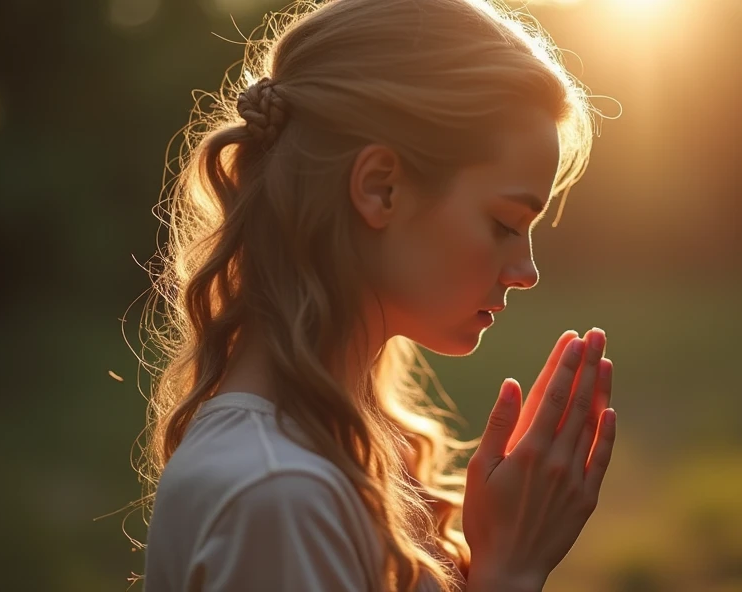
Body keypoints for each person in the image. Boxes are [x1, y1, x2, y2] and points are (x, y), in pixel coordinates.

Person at [135, 0, 617, 590]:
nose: (527, 270)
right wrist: (511, 570)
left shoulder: (332, 456)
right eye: (504, 223)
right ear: (380, 189)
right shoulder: (277, 496)